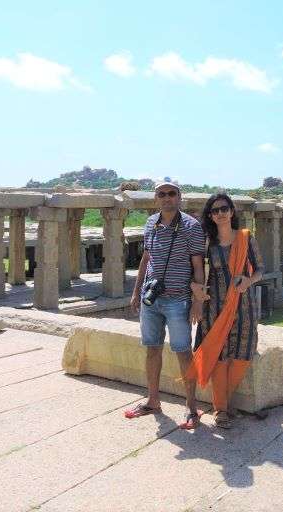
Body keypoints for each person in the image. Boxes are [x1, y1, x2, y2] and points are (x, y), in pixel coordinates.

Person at [125, 178, 206, 429]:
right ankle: (153, 400)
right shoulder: (151, 223)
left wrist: (197, 302)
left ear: (179, 198)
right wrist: (136, 291)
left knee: (183, 351)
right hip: (152, 298)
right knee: (152, 348)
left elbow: (197, 266)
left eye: (172, 193)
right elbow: (146, 259)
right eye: (162, 194)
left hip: (178, 299)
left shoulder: (191, 226)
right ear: (155, 199)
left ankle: (192, 407)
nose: (167, 197)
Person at [186, 193, 264, 429]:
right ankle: (221, 410)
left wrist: (248, 281)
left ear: (231, 212)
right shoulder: (207, 242)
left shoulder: (245, 238)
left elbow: (260, 269)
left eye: (224, 209)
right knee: (218, 355)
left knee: (242, 352)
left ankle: (225, 402)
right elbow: (195, 274)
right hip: (214, 307)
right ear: (210, 215)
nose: (220, 213)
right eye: (215, 210)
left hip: (244, 305)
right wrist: (196, 298)